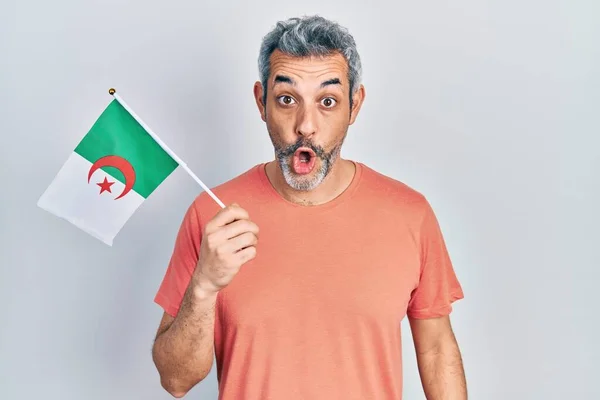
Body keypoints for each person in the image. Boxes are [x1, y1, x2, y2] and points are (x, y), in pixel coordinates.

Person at [151, 14, 467, 400]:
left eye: (328, 101)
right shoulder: (212, 216)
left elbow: (436, 350)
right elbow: (175, 380)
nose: (305, 125)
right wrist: (203, 286)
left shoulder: (410, 214)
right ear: (260, 102)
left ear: (355, 106)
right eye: (287, 99)